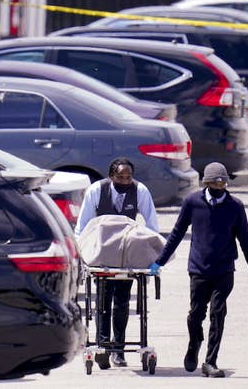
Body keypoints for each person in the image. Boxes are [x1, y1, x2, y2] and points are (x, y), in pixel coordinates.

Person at [149, 162, 248, 378]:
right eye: (215, 183)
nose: (219, 186)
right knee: (195, 315)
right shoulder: (193, 202)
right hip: (199, 268)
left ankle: (210, 361)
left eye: (223, 183)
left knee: (218, 313)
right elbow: (177, 232)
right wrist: (159, 261)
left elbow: (246, 241)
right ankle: (194, 344)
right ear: (206, 183)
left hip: (224, 269)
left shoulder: (235, 206)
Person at [75, 157, 159, 369]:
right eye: (120, 177)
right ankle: (103, 347)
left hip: (126, 254)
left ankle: (119, 350)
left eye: (128, 176)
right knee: (103, 300)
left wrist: (152, 255)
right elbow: (82, 226)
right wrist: (82, 255)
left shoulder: (140, 191)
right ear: (111, 176)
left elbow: (151, 224)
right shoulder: (96, 191)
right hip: (102, 254)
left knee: (122, 302)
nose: (124, 180)